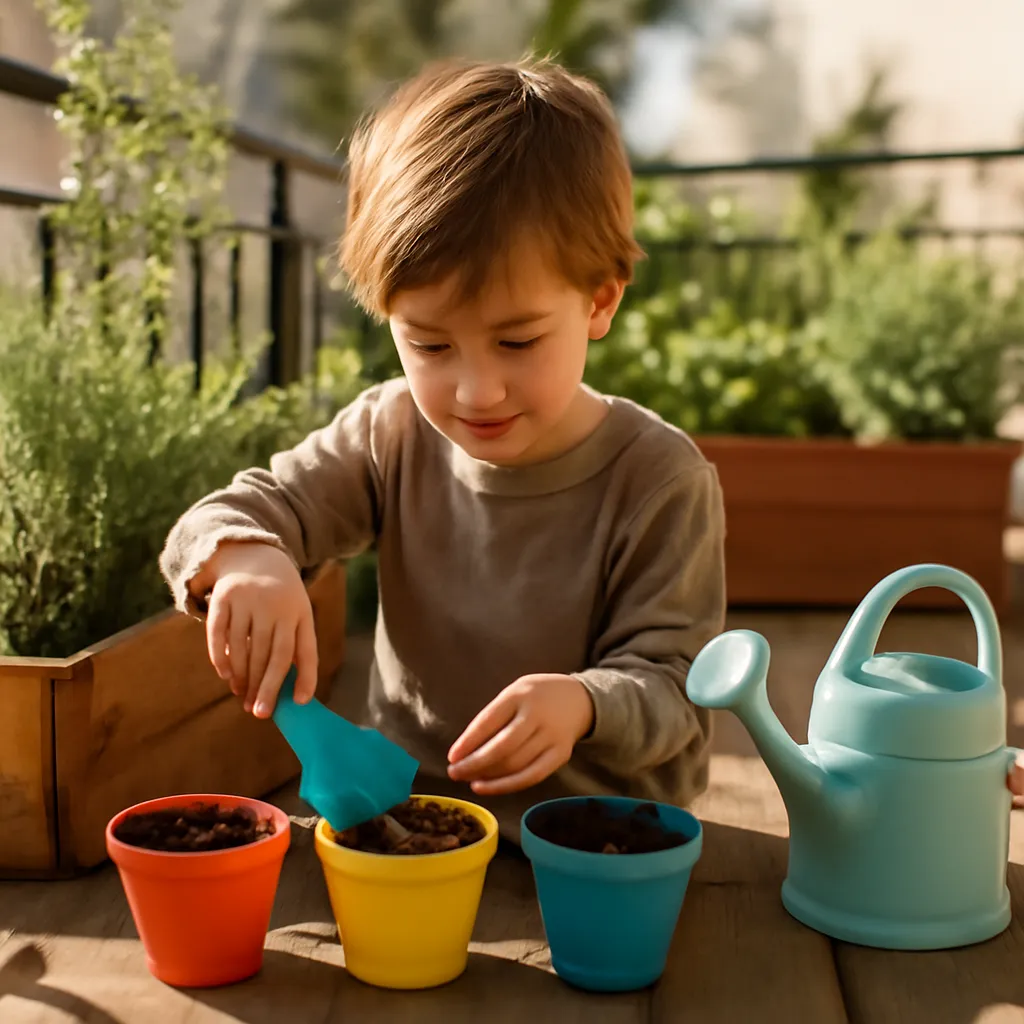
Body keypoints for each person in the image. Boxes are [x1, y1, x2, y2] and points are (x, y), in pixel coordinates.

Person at [159, 56, 727, 840]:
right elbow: (223, 518)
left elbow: (679, 688)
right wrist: (247, 555)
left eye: (517, 340)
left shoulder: (660, 479)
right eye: (429, 345)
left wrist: (586, 703)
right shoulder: (389, 432)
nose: (474, 391)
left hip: (602, 843)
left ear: (599, 300)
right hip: (409, 824)